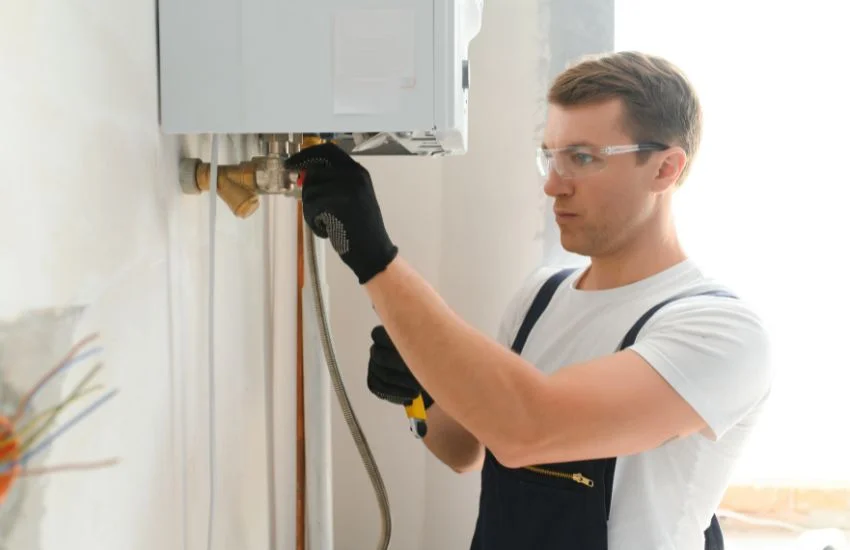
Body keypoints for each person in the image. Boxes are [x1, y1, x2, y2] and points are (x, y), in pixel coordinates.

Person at [285, 51, 773, 550]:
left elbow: (528, 429)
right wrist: (422, 396)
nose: (553, 185)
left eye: (583, 158)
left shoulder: (719, 331)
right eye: (550, 156)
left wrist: (375, 257)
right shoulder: (540, 296)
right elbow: (467, 449)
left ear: (666, 169)